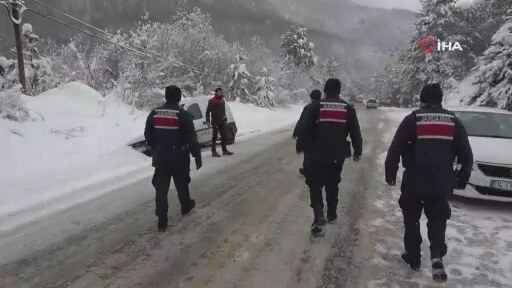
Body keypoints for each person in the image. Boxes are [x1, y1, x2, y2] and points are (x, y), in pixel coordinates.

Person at [385, 83, 473, 282]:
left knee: (412, 219)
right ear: (440, 99)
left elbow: (395, 148)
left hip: (415, 179)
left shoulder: (412, 119)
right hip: (442, 181)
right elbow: (466, 154)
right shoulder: (453, 121)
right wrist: (462, 178)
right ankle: (436, 254)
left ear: (422, 99)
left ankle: (414, 258)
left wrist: (390, 172)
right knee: (438, 219)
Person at [299, 78, 363, 237]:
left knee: (315, 183)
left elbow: (305, 129)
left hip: (316, 153)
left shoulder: (316, 106)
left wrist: (301, 146)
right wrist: (358, 151)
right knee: (332, 182)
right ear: (339, 91)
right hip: (337, 154)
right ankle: (332, 213)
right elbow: (355, 131)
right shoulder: (348, 108)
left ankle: (318, 213)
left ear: (325, 90)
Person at [144, 85, 203, 232]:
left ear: (165, 97)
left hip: (161, 158)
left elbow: (148, 135)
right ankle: (185, 206)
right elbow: (191, 138)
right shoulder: (182, 115)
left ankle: (162, 219)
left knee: (161, 188)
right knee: (182, 184)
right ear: (179, 98)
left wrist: (156, 148)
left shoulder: (154, 114)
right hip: (179, 157)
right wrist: (197, 156)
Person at [294, 89, 322, 176]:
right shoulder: (323, 107)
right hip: (320, 135)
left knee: (308, 154)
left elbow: (302, 121)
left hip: (308, 136)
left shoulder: (308, 107)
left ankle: (307, 169)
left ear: (311, 97)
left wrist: (296, 133)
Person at [206, 87, 234, 157]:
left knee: (224, 136)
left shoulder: (222, 101)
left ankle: (224, 150)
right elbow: (207, 112)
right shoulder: (211, 101)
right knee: (214, 137)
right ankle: (213, 151)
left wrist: (225, 117)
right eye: (219, 92)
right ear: (216, 93)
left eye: (221, 92)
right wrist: (208, 121)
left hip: (222, 121)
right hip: (215, 122)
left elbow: (223, 111)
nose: (220, 93)